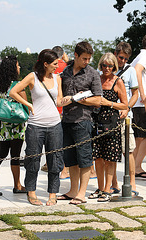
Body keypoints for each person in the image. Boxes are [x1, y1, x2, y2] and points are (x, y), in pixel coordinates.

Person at [10, 49, 72, 206]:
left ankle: (53, 194)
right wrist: (28, 104)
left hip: (55, 125)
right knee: (33, 159)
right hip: (35, 125)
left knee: (55, 160)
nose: (57, 66)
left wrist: (69, 100)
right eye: (54, 64)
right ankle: (31, 192)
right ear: (45, 64)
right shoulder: (33, 77)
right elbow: (13, 91)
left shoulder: (57, 78)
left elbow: (58, 102)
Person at [57, 41, 103, 205]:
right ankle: (72, 190)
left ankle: (82, 193)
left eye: (89, 59)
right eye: (84, 58)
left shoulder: (92, 74)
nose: (87, 62)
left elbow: (98, 100)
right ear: (75, 55)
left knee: (84, 158)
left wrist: (79, 99)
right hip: (66, 120)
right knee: (70, 160)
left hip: (83, 121)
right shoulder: (65, 72)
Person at [89, 52, 128, 202]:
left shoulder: (118, 81)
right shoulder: (97, 79)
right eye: (104, 65)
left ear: (114, 66)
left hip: (111, 123)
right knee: (97, 157)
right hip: (97, 122)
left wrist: (109, 103)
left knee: (110, 158)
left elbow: (125, 104)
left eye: (110, 66)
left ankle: (107, 189)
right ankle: (99, 188)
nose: (107, 68)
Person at [0, 56, 27, 196]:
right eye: (18, 65)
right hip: (16, 125)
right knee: (15, 155)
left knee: (1, 153)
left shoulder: (1, 85)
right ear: (13, 68)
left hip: (3, 124)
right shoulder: (18, 85)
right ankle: (17, 185)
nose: (19, 67)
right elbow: (24, 104)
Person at [110, 42, 138, 195]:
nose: (122, 61)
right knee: (110, 152)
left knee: (128, 150)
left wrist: (127, 108)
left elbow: (135, 94)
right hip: (109, 116)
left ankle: (132, 183)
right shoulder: (106, 68)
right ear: (115, 53)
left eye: (126, 59)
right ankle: (113, 183)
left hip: (125, 116)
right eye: (121, 57)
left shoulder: (131, 70)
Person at [41, 46, 70, 180]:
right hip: (61, 108)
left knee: (50, 143)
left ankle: (49, 164)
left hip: (47, 110)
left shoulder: (44, 69)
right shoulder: (65, 66)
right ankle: (64, 170)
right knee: (61, 142)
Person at [131, 35, 146, 178]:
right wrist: (143, 94)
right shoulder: (144, 56)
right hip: (141, 104)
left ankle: (137, 166)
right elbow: (137, 70)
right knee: (140, 137)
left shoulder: (141, 55)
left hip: (139, 104)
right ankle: (134, 167)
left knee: (142, 137)